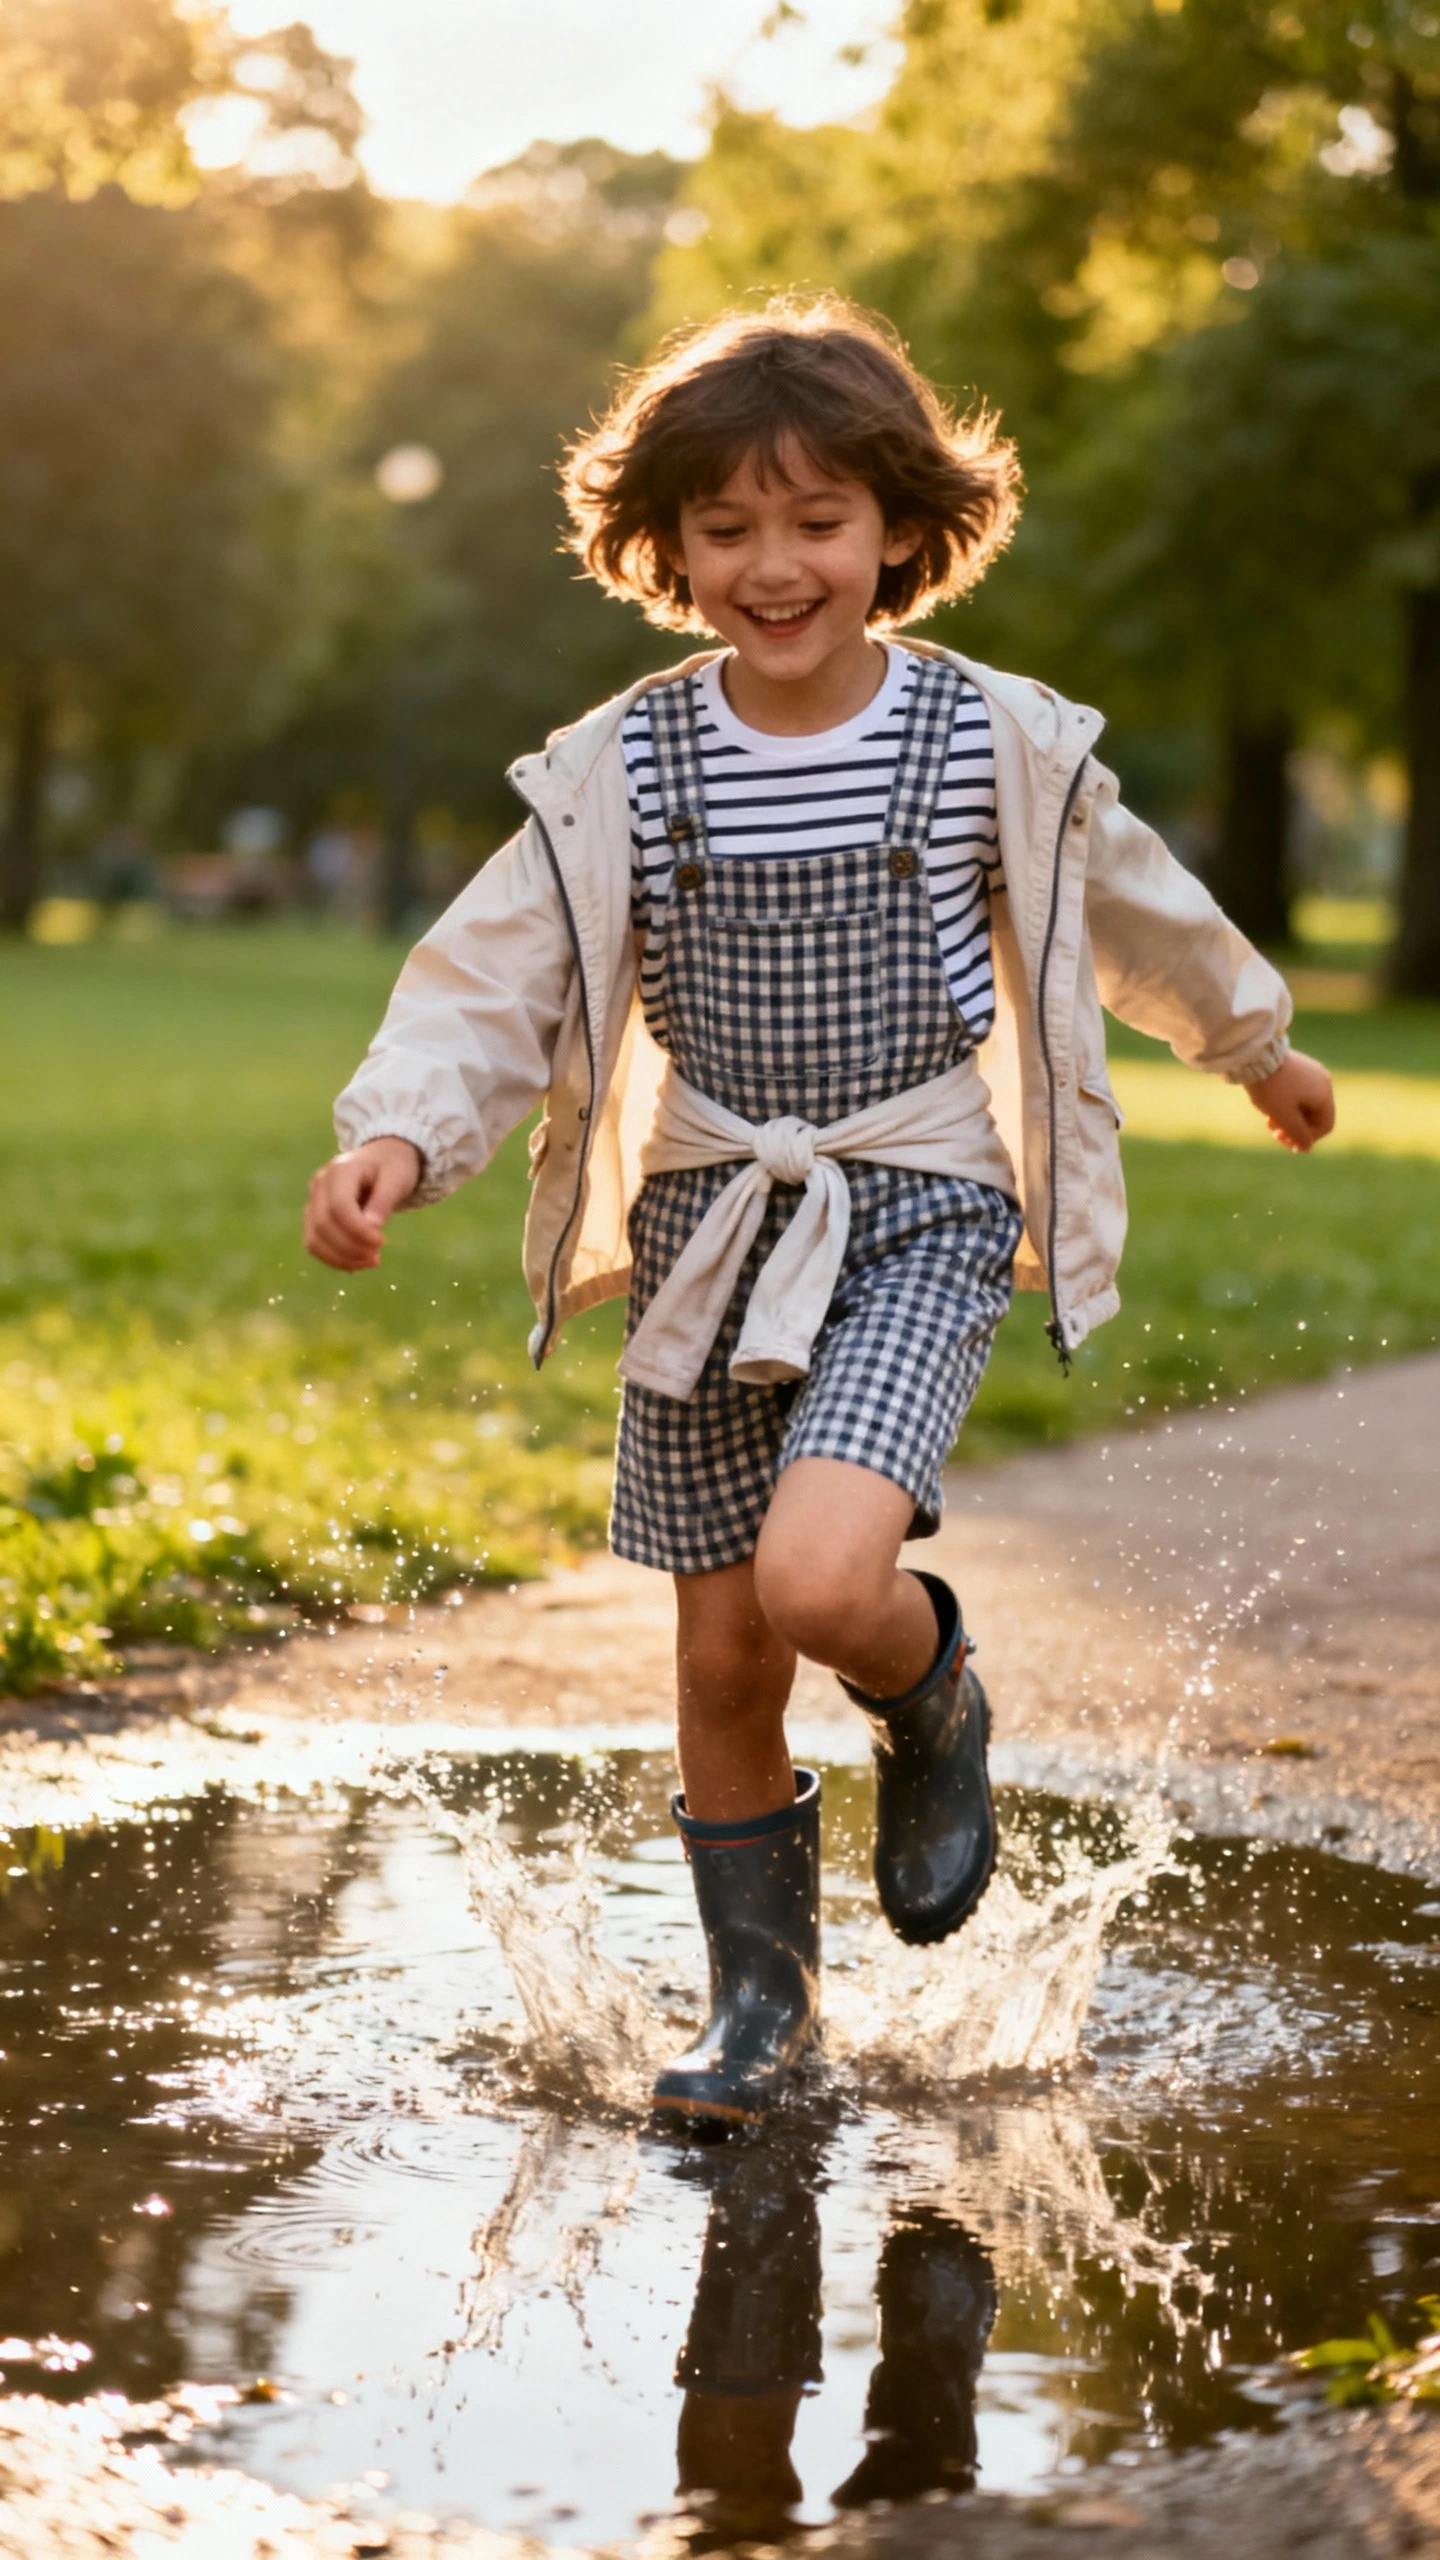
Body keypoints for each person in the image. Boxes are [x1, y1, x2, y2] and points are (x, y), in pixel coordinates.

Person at [304, 297, 1335, 2129]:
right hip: (710, 1221)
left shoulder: (989, 736)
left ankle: (929, 1685)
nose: (774, 567)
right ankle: (760, 2011)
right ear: (666, 546)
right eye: (725, 528)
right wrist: (399, 1134)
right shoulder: (617, 764)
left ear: (899, 531)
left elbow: (1143, 910)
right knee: (719, 1648)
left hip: (917, 1202)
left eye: (819, 522)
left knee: (818, 1581)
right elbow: (488, 976)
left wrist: (1254, 1046)